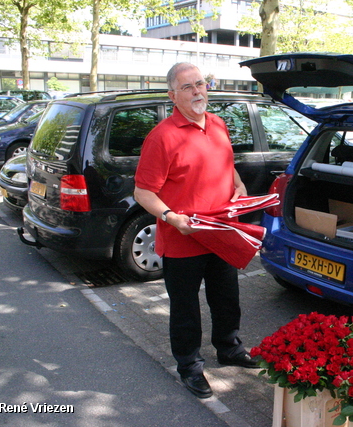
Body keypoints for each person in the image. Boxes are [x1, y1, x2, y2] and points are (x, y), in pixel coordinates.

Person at [134, 62, 258, 399]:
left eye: (201, 83)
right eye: (188, 87)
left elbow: (227, 166)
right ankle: (190, 366)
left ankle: (229, 348)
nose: (197, 91)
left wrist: (239, 185)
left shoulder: (218, 124)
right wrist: (172, 217)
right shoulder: (161, 137)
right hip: (183, 238)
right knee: (185, 308)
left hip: (221, 232)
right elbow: (143, 192)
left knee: (226, 298)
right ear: (173, 95)